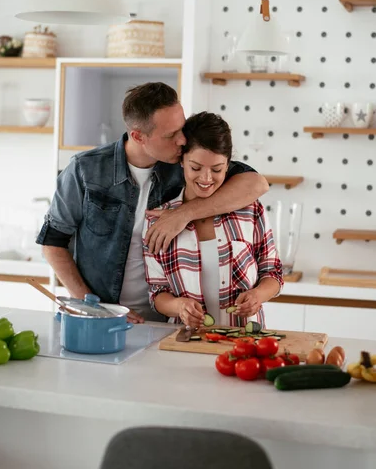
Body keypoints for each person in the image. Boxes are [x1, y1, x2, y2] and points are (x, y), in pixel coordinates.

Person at [37, 83, 269, 323]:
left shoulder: (184, 165)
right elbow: (53, 242)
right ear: (138, 136)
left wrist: (183, 214)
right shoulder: (85, 170)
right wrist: (97, 308)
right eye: (170, 135)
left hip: (165, 321)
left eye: (182, 129)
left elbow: (256, 184)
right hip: (100, 317)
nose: (182, 140)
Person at [143, 112, 283, 328]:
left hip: (245, 341)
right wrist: (179, 306)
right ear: (181, 161)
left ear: (228, 165)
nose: (206, 179)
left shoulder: (250, 210)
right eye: (196, 168)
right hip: (186, 341)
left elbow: (272, 271)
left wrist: (258, 295)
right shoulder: (158, 220)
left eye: (217, 169)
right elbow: (157, 292)